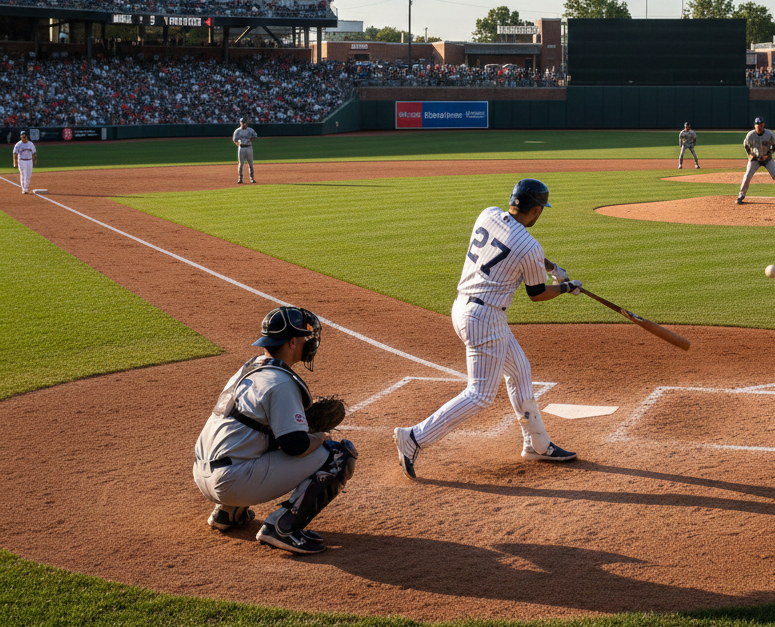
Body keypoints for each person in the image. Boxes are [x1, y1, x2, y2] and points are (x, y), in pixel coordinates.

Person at [393, 178, 582, 479]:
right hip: (485, 319)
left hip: (463, 308)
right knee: (480, 394)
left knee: (519, 370)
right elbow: (536, 294)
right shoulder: (530, 246)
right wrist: (566, 287)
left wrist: (552, 268)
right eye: (540, 210)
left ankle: (537, 444)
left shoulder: (489, 214)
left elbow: (516, 247)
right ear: (535, 210)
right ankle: (414, 437)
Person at [193, 306, 357, 555]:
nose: (309, 342)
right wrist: (320, 437)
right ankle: (282, 528)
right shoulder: (281, 382)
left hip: (202, 474)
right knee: (338, 454)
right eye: (305, 337)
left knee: (255, 438)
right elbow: (295, 446)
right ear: (292, 342)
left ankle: (228, 512)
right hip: (231, 481)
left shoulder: (249, 368)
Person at [736, 117, 775, 205]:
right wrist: (750, 155)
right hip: (755, 159)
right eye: (757, 125)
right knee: (747, 176)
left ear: (763, 125)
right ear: (755, 126)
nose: (759, 127)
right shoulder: (750, 135)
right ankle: (741, 196)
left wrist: (769, 154)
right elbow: (746, 145)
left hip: (767, 159)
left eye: (761, 125)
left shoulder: (769, 134)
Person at [232, 117, 257, 184]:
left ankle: (252, 179)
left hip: (249, 147)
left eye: (244, 122)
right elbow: (234, 140)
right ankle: (240, 179)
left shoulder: (250, 130)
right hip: (241, 148)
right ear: (240, 123)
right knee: (241, 164)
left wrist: (250, 141)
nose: (243, 123)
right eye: (242, 122)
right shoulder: (237, 131)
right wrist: (238, 144)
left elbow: (255, 136)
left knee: (250, 164)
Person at [12, 130, 37, 195]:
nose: (24, 137)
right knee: (24, 175)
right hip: (22, 161)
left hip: (29, 161)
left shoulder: (31, 144)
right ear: (21, 137)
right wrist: (15, 162)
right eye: (23, 136)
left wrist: (35, 160)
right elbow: (15, 154)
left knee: (28, 175)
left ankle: (26, 187)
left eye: (25, 136)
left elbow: (34, 153)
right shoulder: (18, 144)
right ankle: (24, 189)